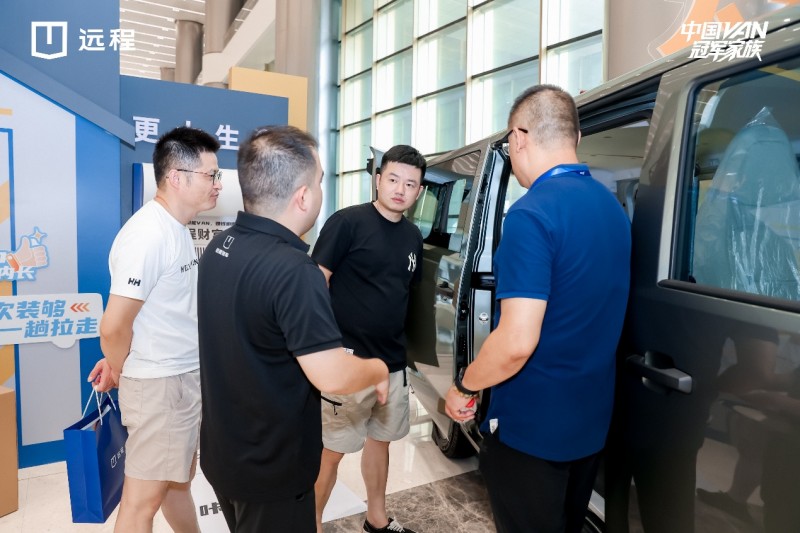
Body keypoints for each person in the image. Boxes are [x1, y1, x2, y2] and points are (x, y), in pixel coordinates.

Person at [445, 85, 632, 533]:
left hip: (532, 431)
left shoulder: (531, 214)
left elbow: (516, 342)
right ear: (577, 138)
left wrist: (465, 386)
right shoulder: (613, 209)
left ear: (518, 138)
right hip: (589, 423)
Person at [197, 125, 390, 532]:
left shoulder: (219, 246)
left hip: (224, 454)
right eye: (319, 182)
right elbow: (331, 375)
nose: (320, 191)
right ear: (302, 196)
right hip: (272, 471)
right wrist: (377, 369)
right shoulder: (294, 270)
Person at [87, 126, 222, 533]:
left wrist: (122, 360)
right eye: (211, 175)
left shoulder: (174, 228)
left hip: (177, 379)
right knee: (140, 503)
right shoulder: (148, 234)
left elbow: (150, 316)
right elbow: (114, 326)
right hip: (160, 387)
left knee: (176, 484)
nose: (218, 184)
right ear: (177, 177)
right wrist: (120, 367)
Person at [312, 144, 426, 533]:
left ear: (419, 191)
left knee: (381, 441)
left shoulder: (412, 236)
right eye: (393, 179)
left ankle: (376, 518)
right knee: (331, 451)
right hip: (348, 363)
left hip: (391, 364)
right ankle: (311, 523)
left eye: (410, 184)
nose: (400, 189)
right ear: (378, 180)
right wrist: (325, 350)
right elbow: (316, 284)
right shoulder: (347, 223)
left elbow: (404, 295)